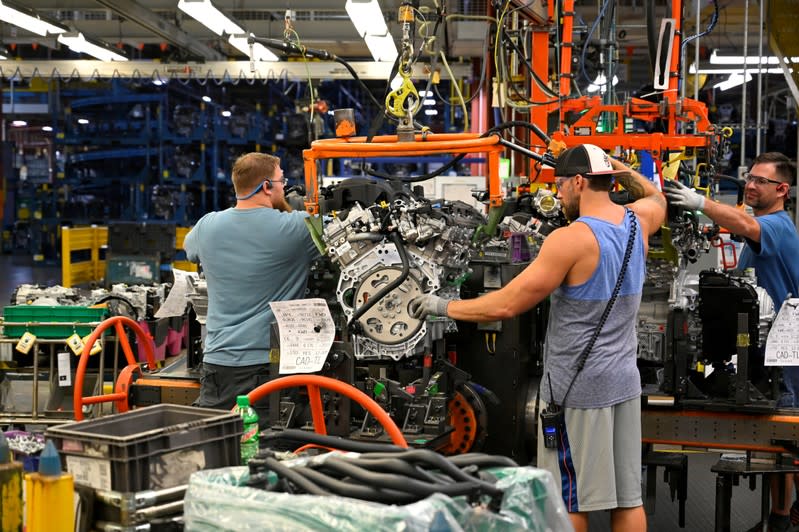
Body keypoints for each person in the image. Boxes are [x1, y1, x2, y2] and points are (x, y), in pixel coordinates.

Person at [410, 144, 666, 532]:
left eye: (561, 184)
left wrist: (440, 306)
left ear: (579, 181)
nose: (558, 193)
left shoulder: (570, 240)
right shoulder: (638, 223)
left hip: (577, 391)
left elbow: (505, 305)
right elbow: (657, 196)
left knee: (570, 497)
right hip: (624, 383)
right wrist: (612, 165)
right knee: (627, 498)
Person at [664, 152, 799, 532]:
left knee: (789, 440)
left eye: (760, 181)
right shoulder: (760, 225)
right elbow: (739, 226)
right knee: (779, 442)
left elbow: (741, 222)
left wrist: (700, 202)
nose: (751, 186)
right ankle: (780, 516)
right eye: (749, 179)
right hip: (761, 351)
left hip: (785, 353)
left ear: (782, 189)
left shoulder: (778, 226)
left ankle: (786, 517)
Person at [184, 152, 320, 421]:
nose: (285, 186)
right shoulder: (297, 228)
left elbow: (191, 251)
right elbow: (350, 235)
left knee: (219, 444)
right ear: (267, 186)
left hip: (216, 362)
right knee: (266, 450)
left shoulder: (206, 225)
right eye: (282, 180)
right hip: (267, 367)